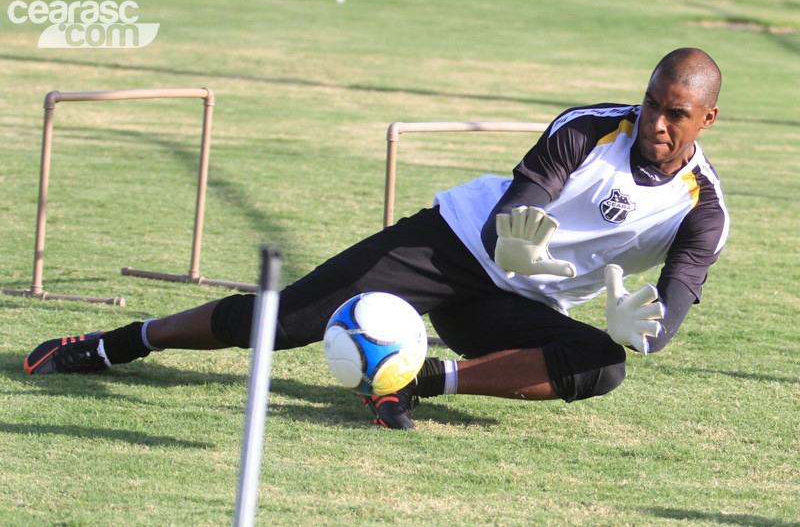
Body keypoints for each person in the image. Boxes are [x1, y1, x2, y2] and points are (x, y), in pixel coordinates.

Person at [24, 47, 729, 430]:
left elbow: (664, 322)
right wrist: (513, 242)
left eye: (675, 114)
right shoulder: (588, 129)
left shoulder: (704, 213)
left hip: (513, 306)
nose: (655, 123)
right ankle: (118, 343)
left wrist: (639, 330)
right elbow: (514, 214)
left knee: (603, 363)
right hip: (454, 245)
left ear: (706, 120)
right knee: (285, 321)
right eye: (650, 103)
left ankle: (412, 383)